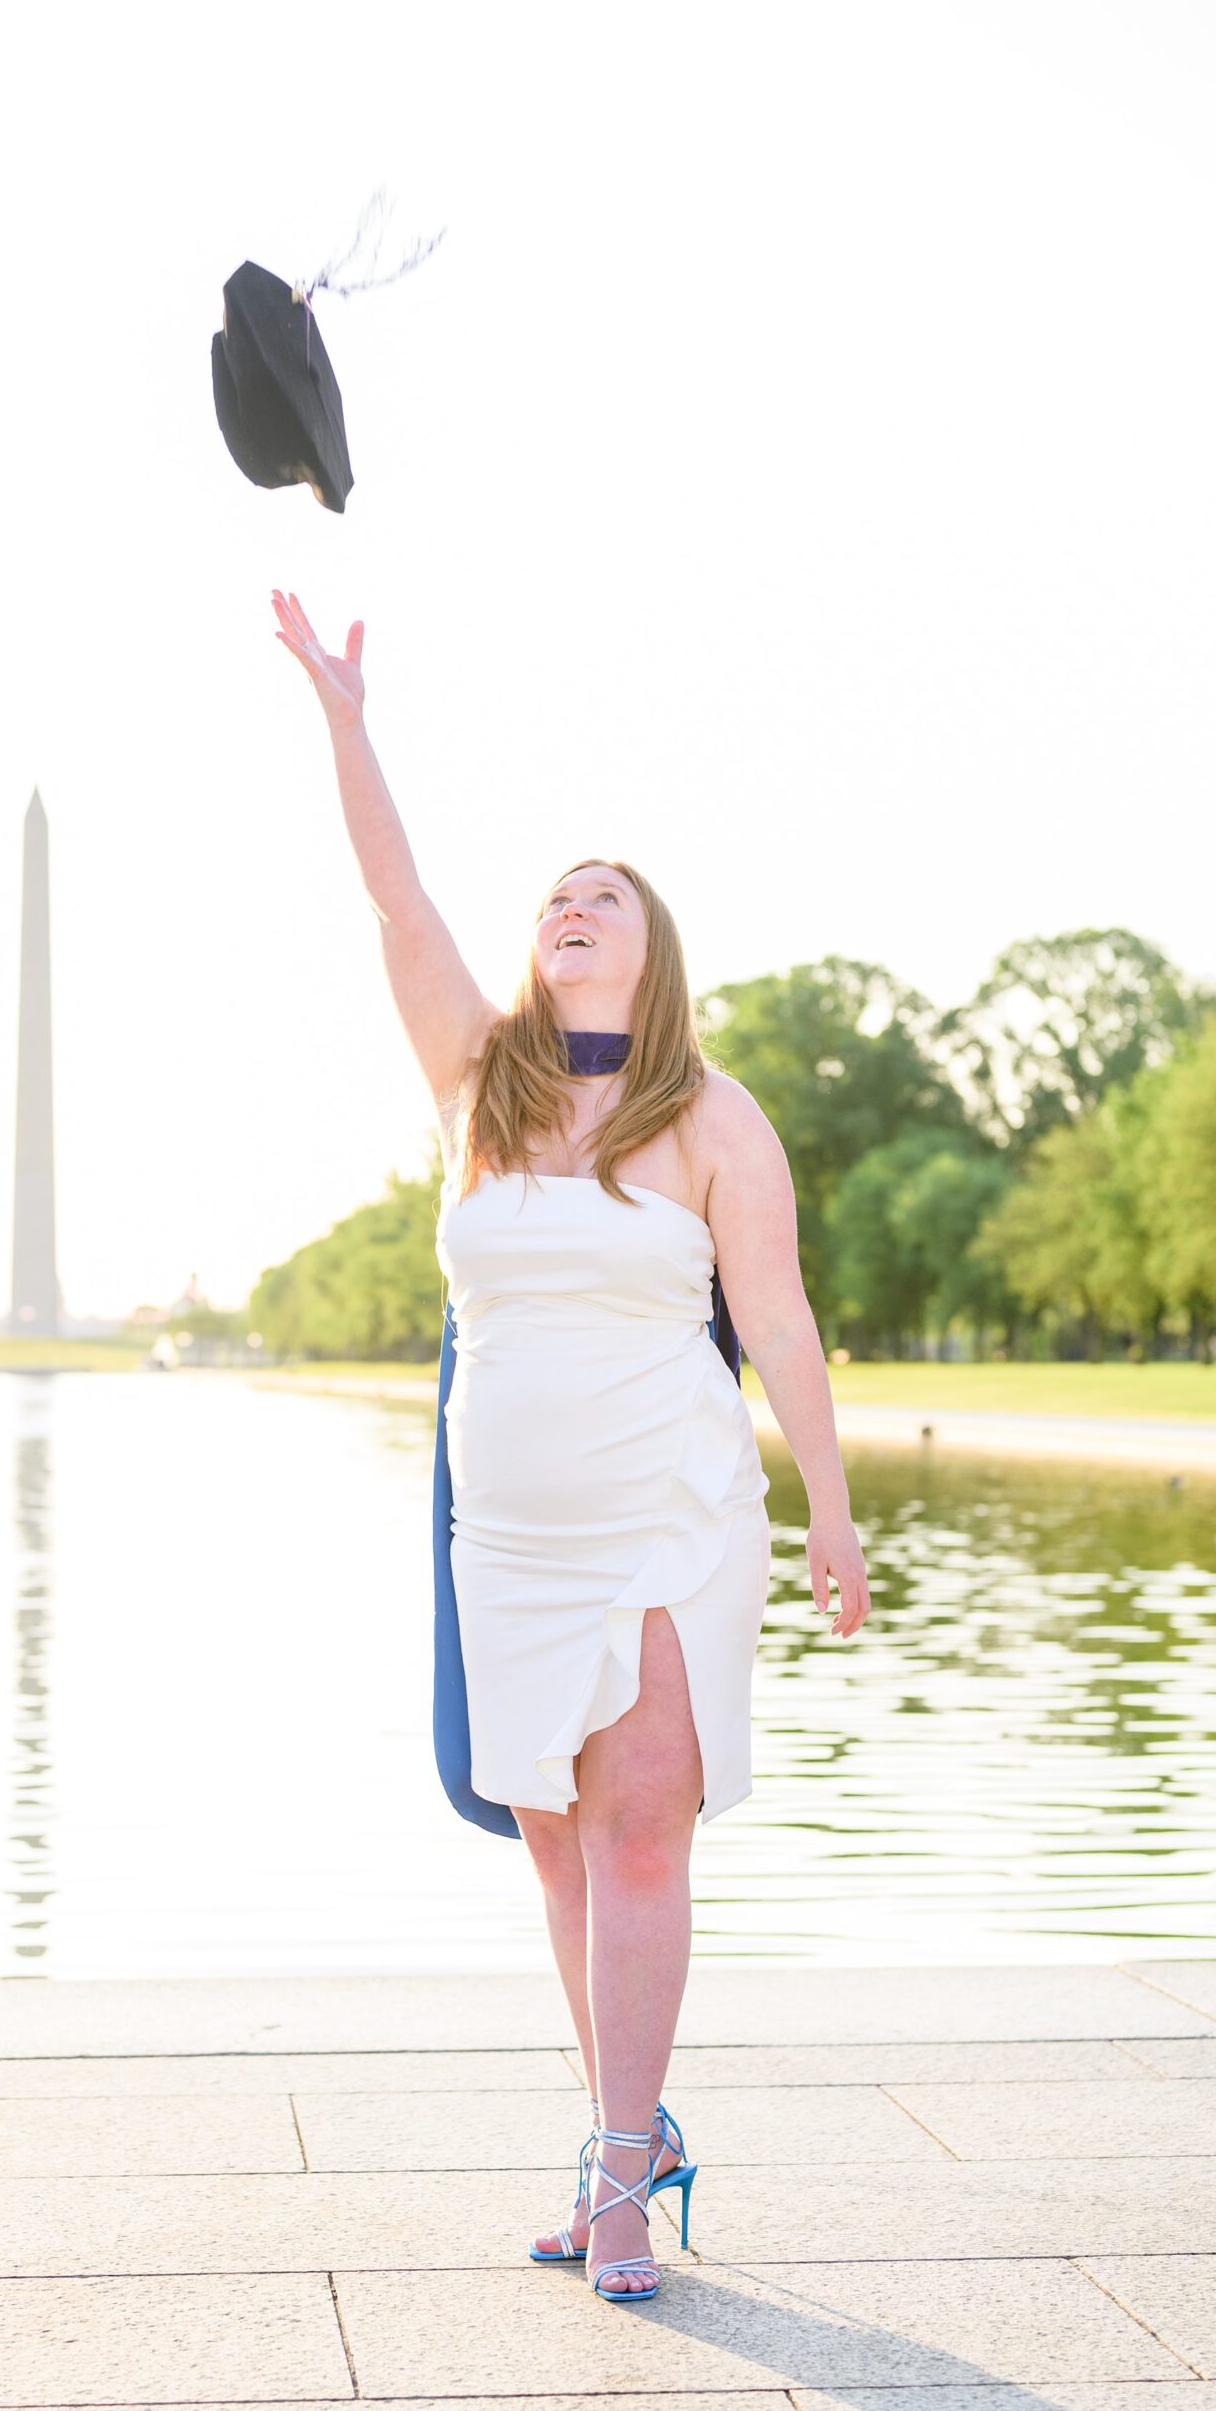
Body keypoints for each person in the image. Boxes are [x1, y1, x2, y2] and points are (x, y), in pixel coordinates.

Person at [271, 589, 870, 2304]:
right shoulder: (478, 1085)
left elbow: (781, 1324)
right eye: (555, 899)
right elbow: (395, 901)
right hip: (508, 1533)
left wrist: (831, 1510)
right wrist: (345, 718)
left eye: (603, 896)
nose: (570, 907)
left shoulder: (711, 1114)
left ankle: (619, 2173)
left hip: (669, 1513)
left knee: (642, 1833)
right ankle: (631, 2120)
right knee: (550, 1836)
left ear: (650, 948)